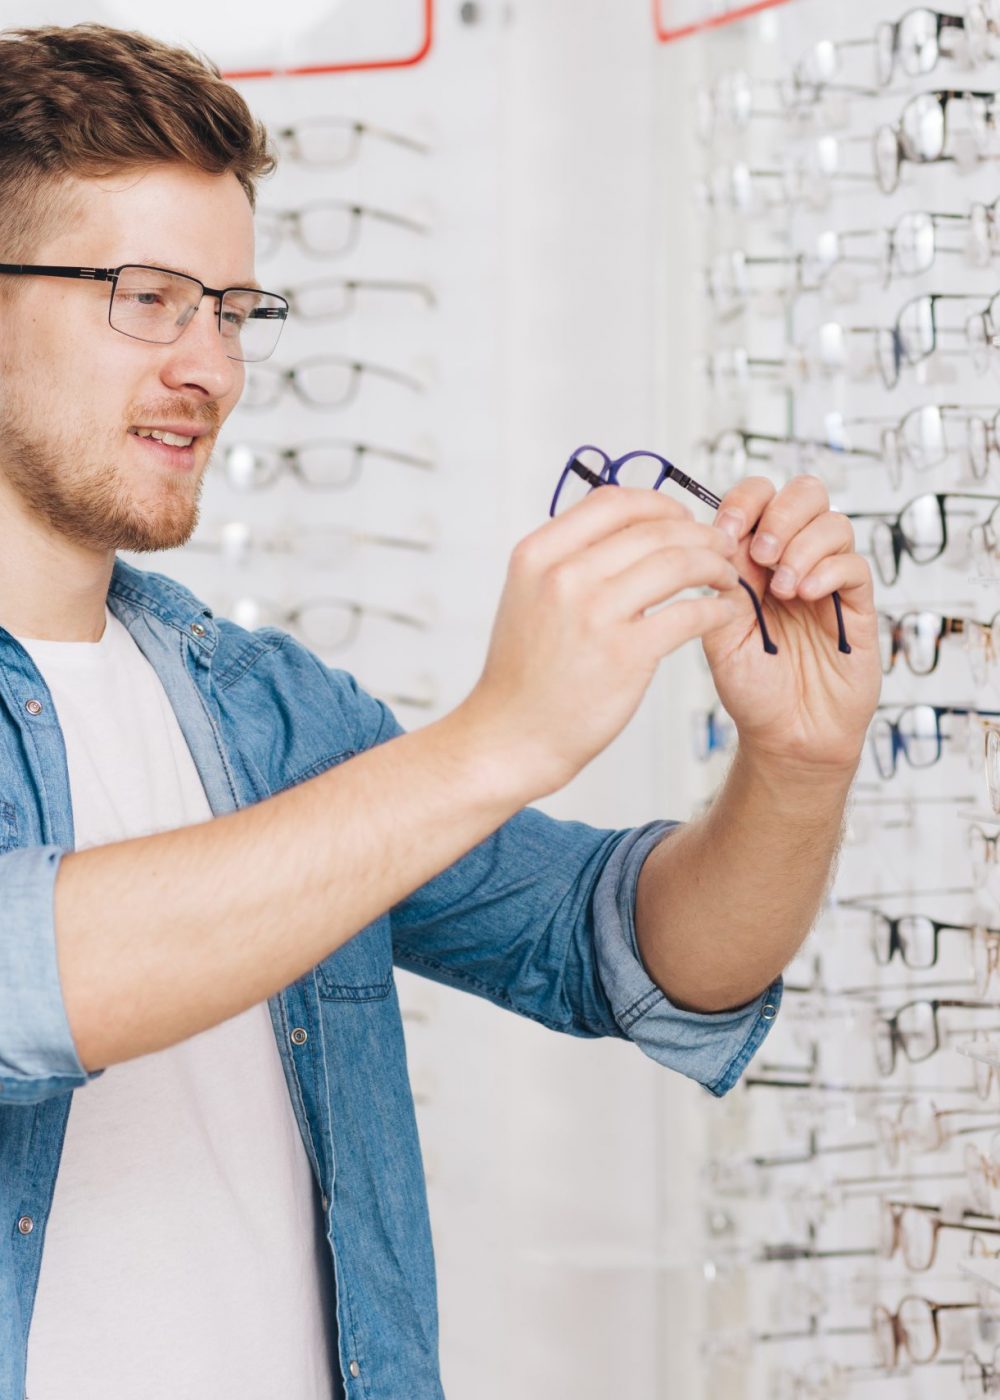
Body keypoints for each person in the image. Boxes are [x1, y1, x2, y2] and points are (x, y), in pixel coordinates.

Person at [0, 21, 882, 1400]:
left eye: (234, 310)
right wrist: (500, 738)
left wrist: (796, 766)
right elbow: (30, 984)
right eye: (149, 296)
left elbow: (636, 955)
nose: (211, 368)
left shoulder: (273, 716)